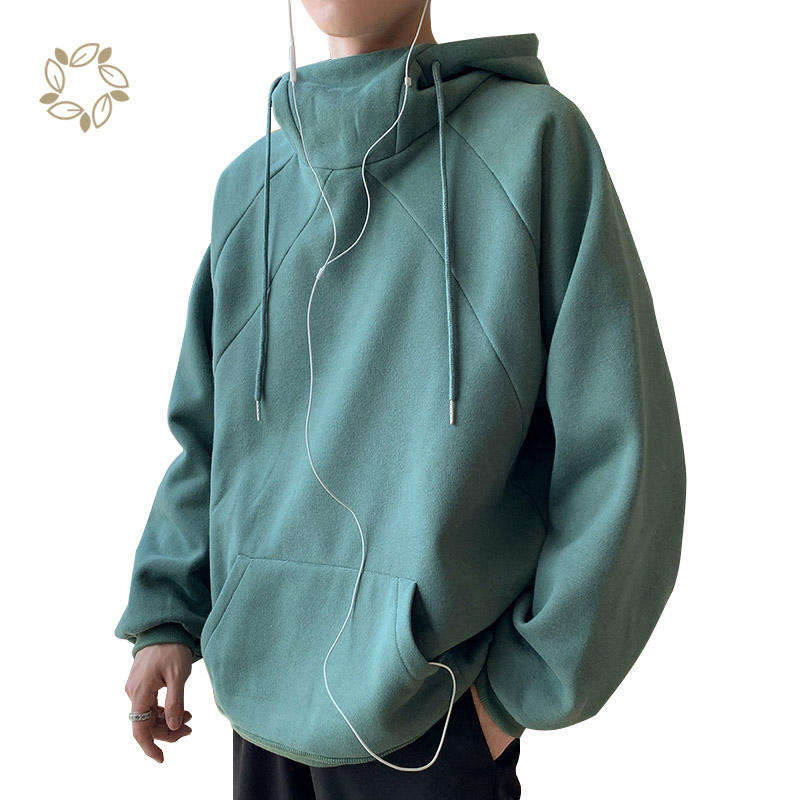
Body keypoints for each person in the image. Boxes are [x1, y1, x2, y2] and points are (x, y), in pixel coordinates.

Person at [116, 2, 686, 798]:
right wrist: (168, 615)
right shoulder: (251, 188)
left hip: (435, 721)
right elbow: (211, 440)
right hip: (259, 706)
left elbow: (623, 455)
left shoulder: (536, 144)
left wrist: (512, 697)